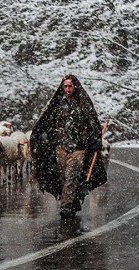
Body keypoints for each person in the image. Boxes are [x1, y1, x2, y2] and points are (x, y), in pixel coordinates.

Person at [30, 74, 107, 219]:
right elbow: (47, 123)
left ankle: (65, 207)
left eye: (70, 86)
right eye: (65, 86)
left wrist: (95, 141)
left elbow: (92, 121)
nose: (68, 89)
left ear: (75, 86)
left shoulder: (83, 103)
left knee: (72, 176)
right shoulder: (58, 104)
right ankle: (72, 202)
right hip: (61, 147)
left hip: (79, 148)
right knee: (63, 177)